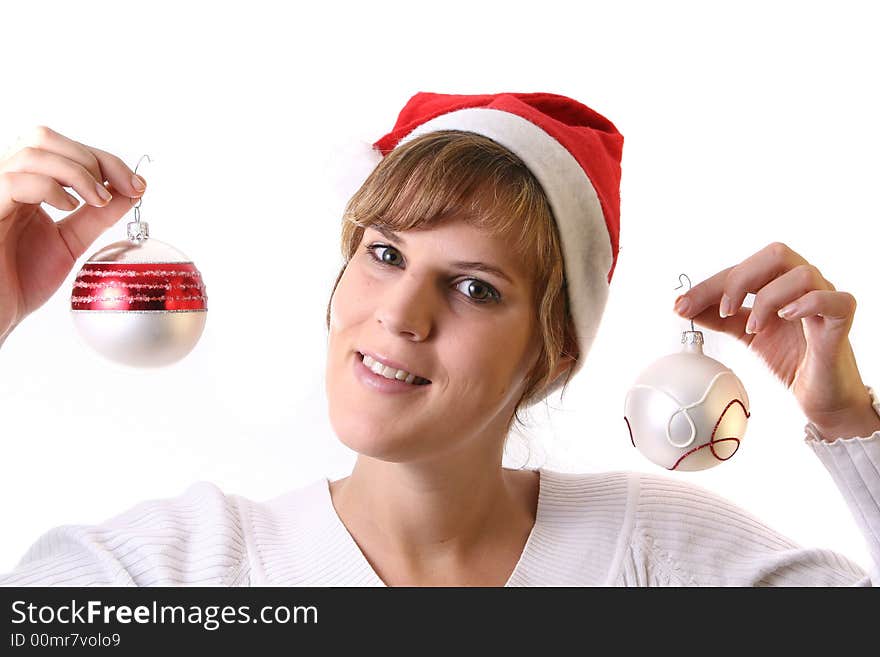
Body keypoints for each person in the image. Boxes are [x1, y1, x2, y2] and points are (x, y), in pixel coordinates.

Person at [1, 92, 878, 587]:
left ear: (553, 349)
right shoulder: (176, 573)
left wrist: (851, 423)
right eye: (384, 253)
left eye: (473, 286)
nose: (401, 313)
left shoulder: (663, 558)